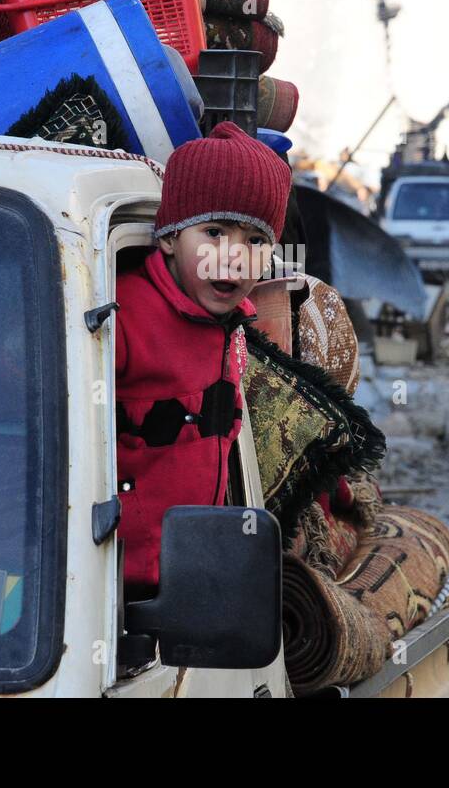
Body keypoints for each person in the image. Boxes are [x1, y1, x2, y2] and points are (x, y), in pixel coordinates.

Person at [114, 121, 291, 597]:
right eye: (214, 231)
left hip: (191, 573)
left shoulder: (236, 326)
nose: (233, 257)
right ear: (170, 237)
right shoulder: (122, 316)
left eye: (255, 240)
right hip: (116, 587)